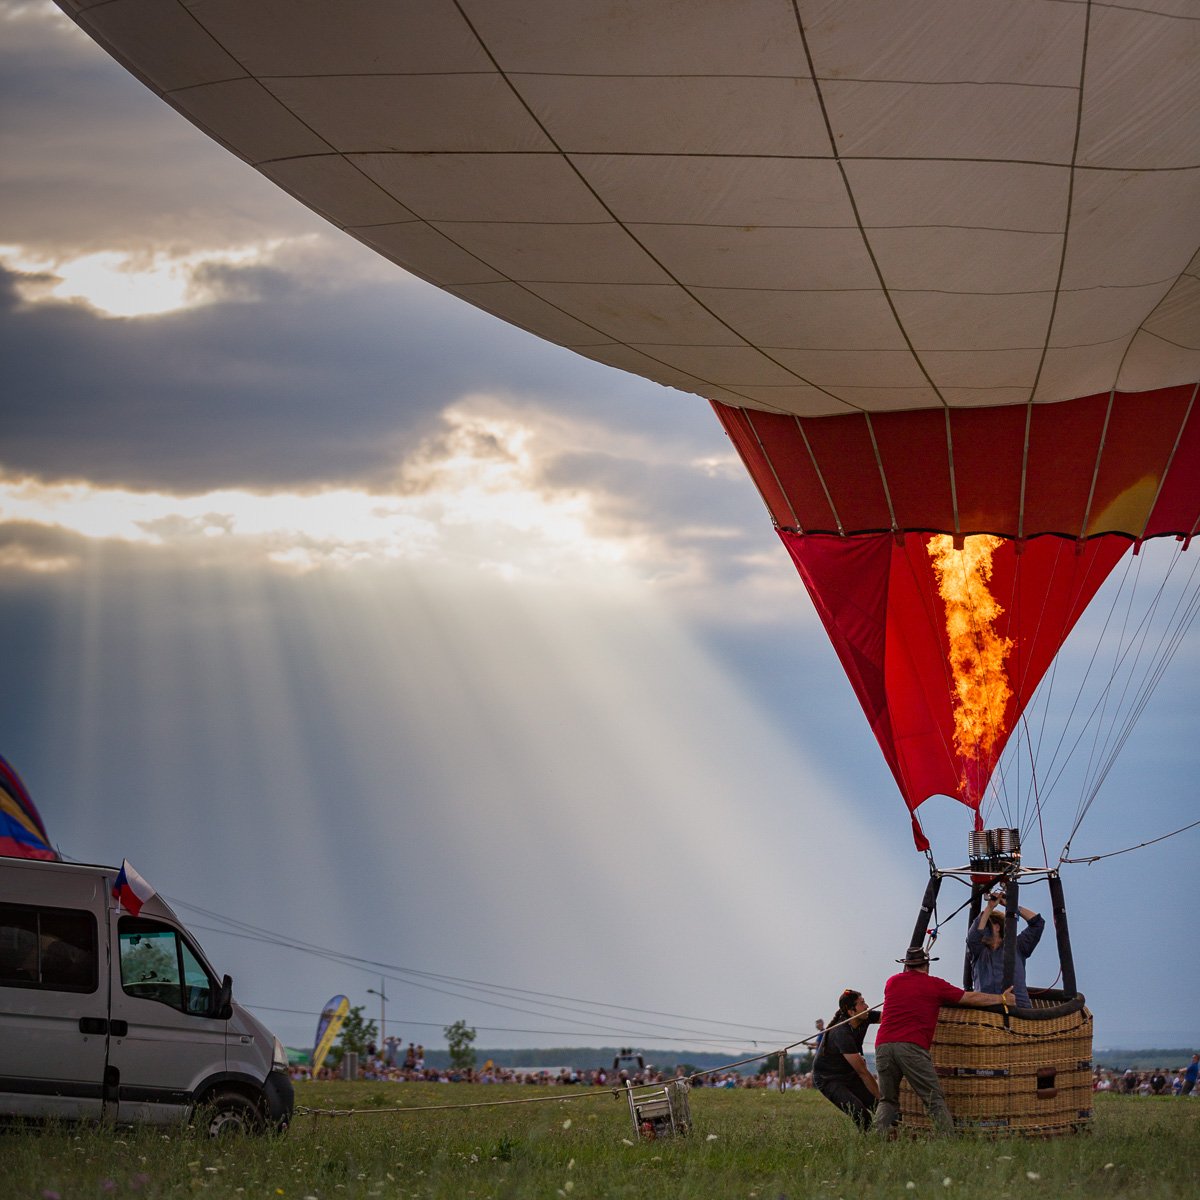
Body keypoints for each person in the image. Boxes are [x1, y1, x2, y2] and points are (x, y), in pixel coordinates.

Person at [872, 948, 1014, 1136]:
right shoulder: (935, 985)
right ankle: (946, 1141)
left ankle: (875, 1137)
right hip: (912, 1046)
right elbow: (969, 998)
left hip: (883, 1045)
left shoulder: (892, 982)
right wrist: (1003, 998)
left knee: (887, 1100)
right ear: (928, 966)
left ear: (905, 965)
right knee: (933, 1099)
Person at [812, 989, 880, 1131]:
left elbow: (889, 1017)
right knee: (860, 1113)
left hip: (849, 1074)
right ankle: (873, 1144)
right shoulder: (841, 1033)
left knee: (877, 1106)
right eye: (862, 1003)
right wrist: (884, 1099)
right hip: (829, 1079)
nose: (867, 1006)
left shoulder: (864, 1016)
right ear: (851, 1012)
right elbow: (863, 1072)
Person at [966, 891, 1044, 1009]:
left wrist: (1010, 906)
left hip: (1019, 1009)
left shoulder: (1017, 947)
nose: (983, 930)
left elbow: (1037, 923)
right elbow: (973, 937)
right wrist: (989, 908)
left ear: (997, 928)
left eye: (986, 925)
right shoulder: (978, 951)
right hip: (986, 1009)